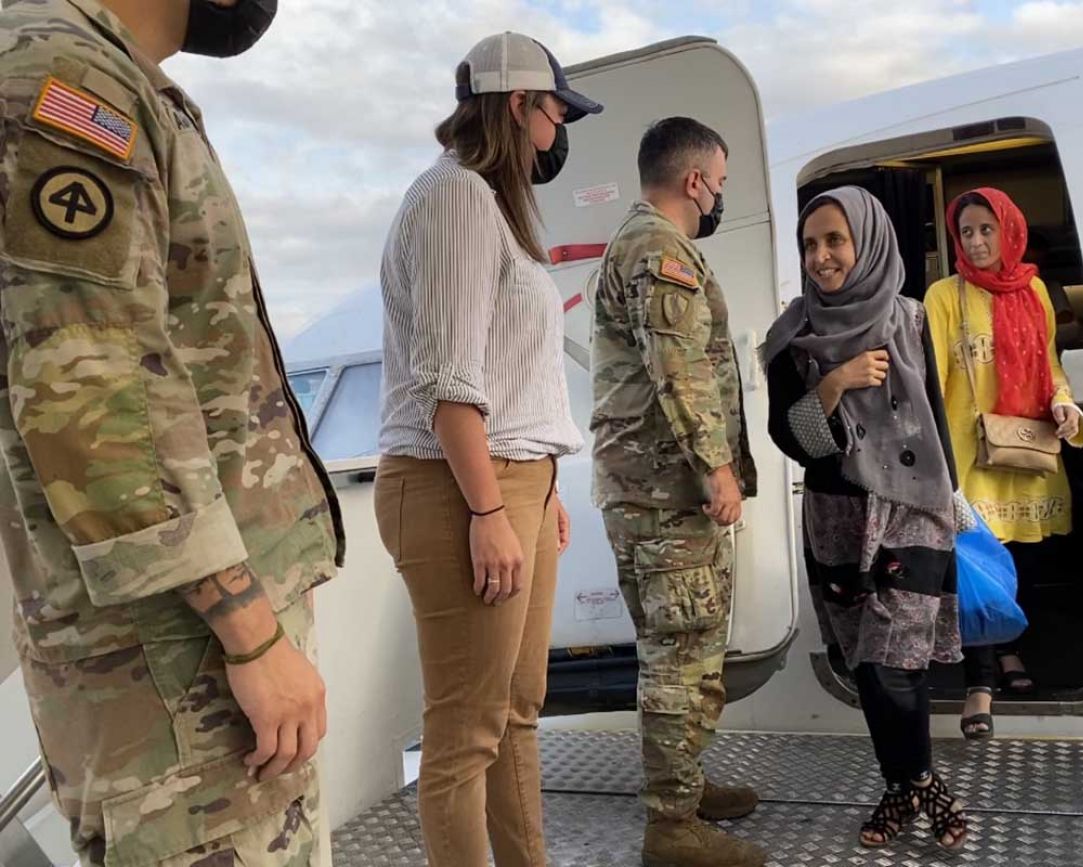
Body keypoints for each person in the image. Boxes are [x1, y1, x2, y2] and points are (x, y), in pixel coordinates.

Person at [0, 1, 343, 864]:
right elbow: (93, 394)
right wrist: (251, 632)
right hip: (178, 665)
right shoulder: (70, 78)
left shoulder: (104, 74)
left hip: (175, 655)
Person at [373, 31, 601, 867]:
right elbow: (449, 381)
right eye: (556, 112)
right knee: (466, 731)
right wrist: (489, 507)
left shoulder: (489, 206)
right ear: (519, 106)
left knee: (515, 712)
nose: (559, 131)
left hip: (512, 482)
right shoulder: (456, 198)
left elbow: (509, 377)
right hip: (460, 485)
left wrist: (540, 493)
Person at [765, 187, 969, 853]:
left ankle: (920, 784)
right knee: (869, 664)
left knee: (896, 658)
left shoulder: (911, 320)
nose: (821, 256)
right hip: (838, 514)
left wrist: (956, 497)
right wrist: (834, 382)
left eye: (834, 240)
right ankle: (907, 784)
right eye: (810, 244)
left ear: (868, 241)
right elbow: (791, 440)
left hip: (914, 509)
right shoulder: (791, 336)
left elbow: (938, 412)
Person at [590, 117, 763, 867]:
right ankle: (672, 826)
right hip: (667, 494)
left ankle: (684, 789)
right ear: (694, 181)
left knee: (685, 651)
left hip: (650, 491)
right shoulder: (660, 250)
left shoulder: (640, 242)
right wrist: (716, 466)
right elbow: (679, 370)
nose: (719, 195)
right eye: (719, 183)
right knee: (678, 655)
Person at [923, 187, 1083, 738]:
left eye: (986, 230)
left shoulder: (1036, 291)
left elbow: (1050, 366)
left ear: (1009, 230)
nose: (975, 242)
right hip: (969, 454)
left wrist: (1064, 403)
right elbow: (932, 381)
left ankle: (1013, 649)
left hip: (1028, 446)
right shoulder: (944, 297)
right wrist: (933, 462)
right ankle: (985, 682)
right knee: (977, 562)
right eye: (966, 232)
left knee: (1026, 558)